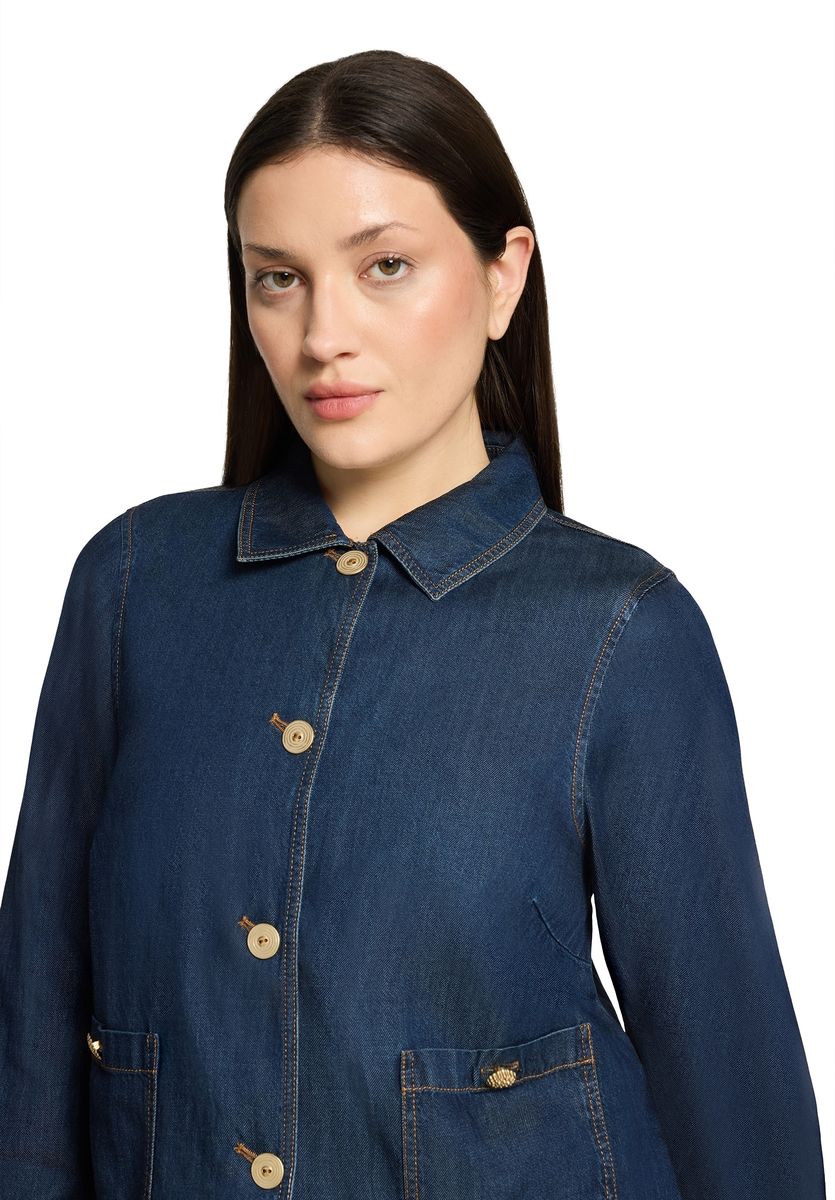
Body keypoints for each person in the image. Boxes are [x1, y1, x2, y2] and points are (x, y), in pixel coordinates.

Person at [0, 48, 826, 1200]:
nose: (322, 334)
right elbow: (33, 1027)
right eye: (277, 278)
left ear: (502, 276)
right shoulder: (135, 586)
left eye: (384, 265)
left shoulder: (621, 632)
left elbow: (728, 1089)